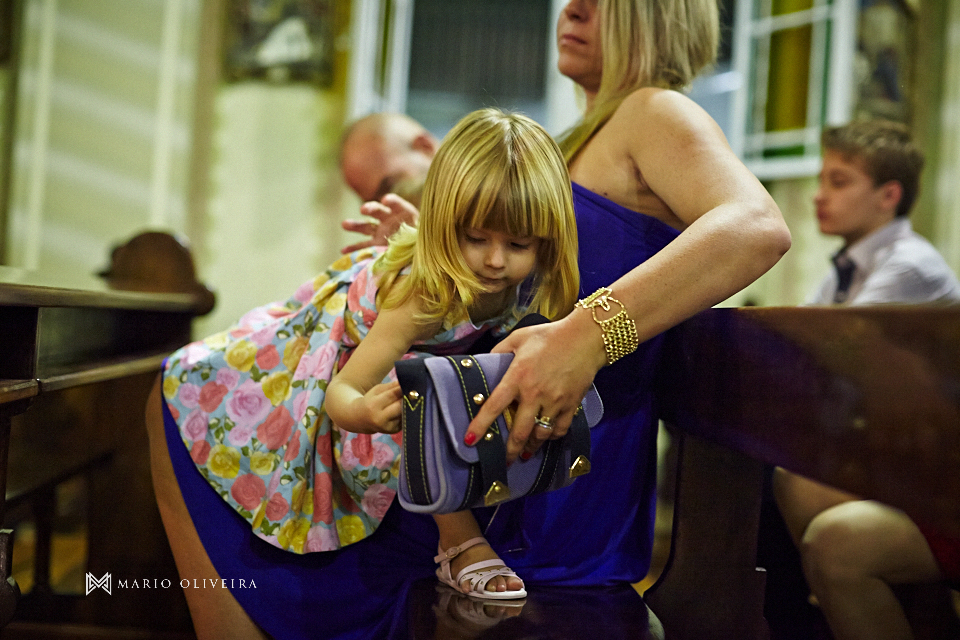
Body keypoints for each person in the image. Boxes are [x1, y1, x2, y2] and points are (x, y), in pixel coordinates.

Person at [147, 1, 791, 638]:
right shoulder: (579, 137)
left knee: (184, 390)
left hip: (532, 475)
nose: (572, 8)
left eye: (598, 1)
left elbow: (756, 228)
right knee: (204, 385)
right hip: (482, 447)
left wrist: (589, 337)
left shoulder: (655, 110)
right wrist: (427, 247)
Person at [773, 119, 960, 640]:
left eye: (839, 181)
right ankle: (850, 607)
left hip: (939, 471)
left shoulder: (910, 266)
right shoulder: (847, 268)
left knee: (802, 485)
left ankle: (835, 598)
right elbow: (800, 342)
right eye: (822, 179)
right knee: (796, 478)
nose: (819, 196)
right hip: (906, 459)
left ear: (888, 195)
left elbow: (830, 356)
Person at [338, 113, 438, 255]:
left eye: (391, 187)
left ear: (425, 147)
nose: (389, 212)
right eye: (374, 203)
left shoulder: (479, 191)